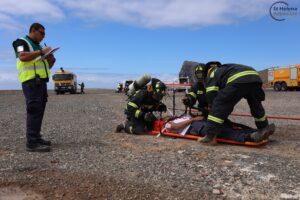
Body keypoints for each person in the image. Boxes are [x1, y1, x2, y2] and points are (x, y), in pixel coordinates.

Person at [200, 61, 275, 145]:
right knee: (256, 107)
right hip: (255, 77)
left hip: (238, 79)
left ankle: (210, 137)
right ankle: (264, 129)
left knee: (219, 104)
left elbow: (211, 94)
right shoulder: (225, 69)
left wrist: (211, 107)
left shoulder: (211, 73)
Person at [12, 23, 56, 152]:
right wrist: (42, 51)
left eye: (44, 34)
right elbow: (22, 57)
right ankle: (31, 142)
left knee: (39, 111)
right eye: (41, 33)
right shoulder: (20, 42)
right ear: (33, 31)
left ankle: (36, 137)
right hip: (31, 82)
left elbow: (48, 66)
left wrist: (50, 58)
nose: (43, 36)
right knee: (34, 110)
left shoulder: (38, 46)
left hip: (41, 83)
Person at [162, 115, 275, 143]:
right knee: (225, 132)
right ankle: (250, 137)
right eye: (166, 116)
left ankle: (257, 132)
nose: (168, 116)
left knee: (230, 126)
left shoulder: (179, 117)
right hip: (196, 127)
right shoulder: (168, 124)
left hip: (201, 123)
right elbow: (174, 127)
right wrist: (192, 120)